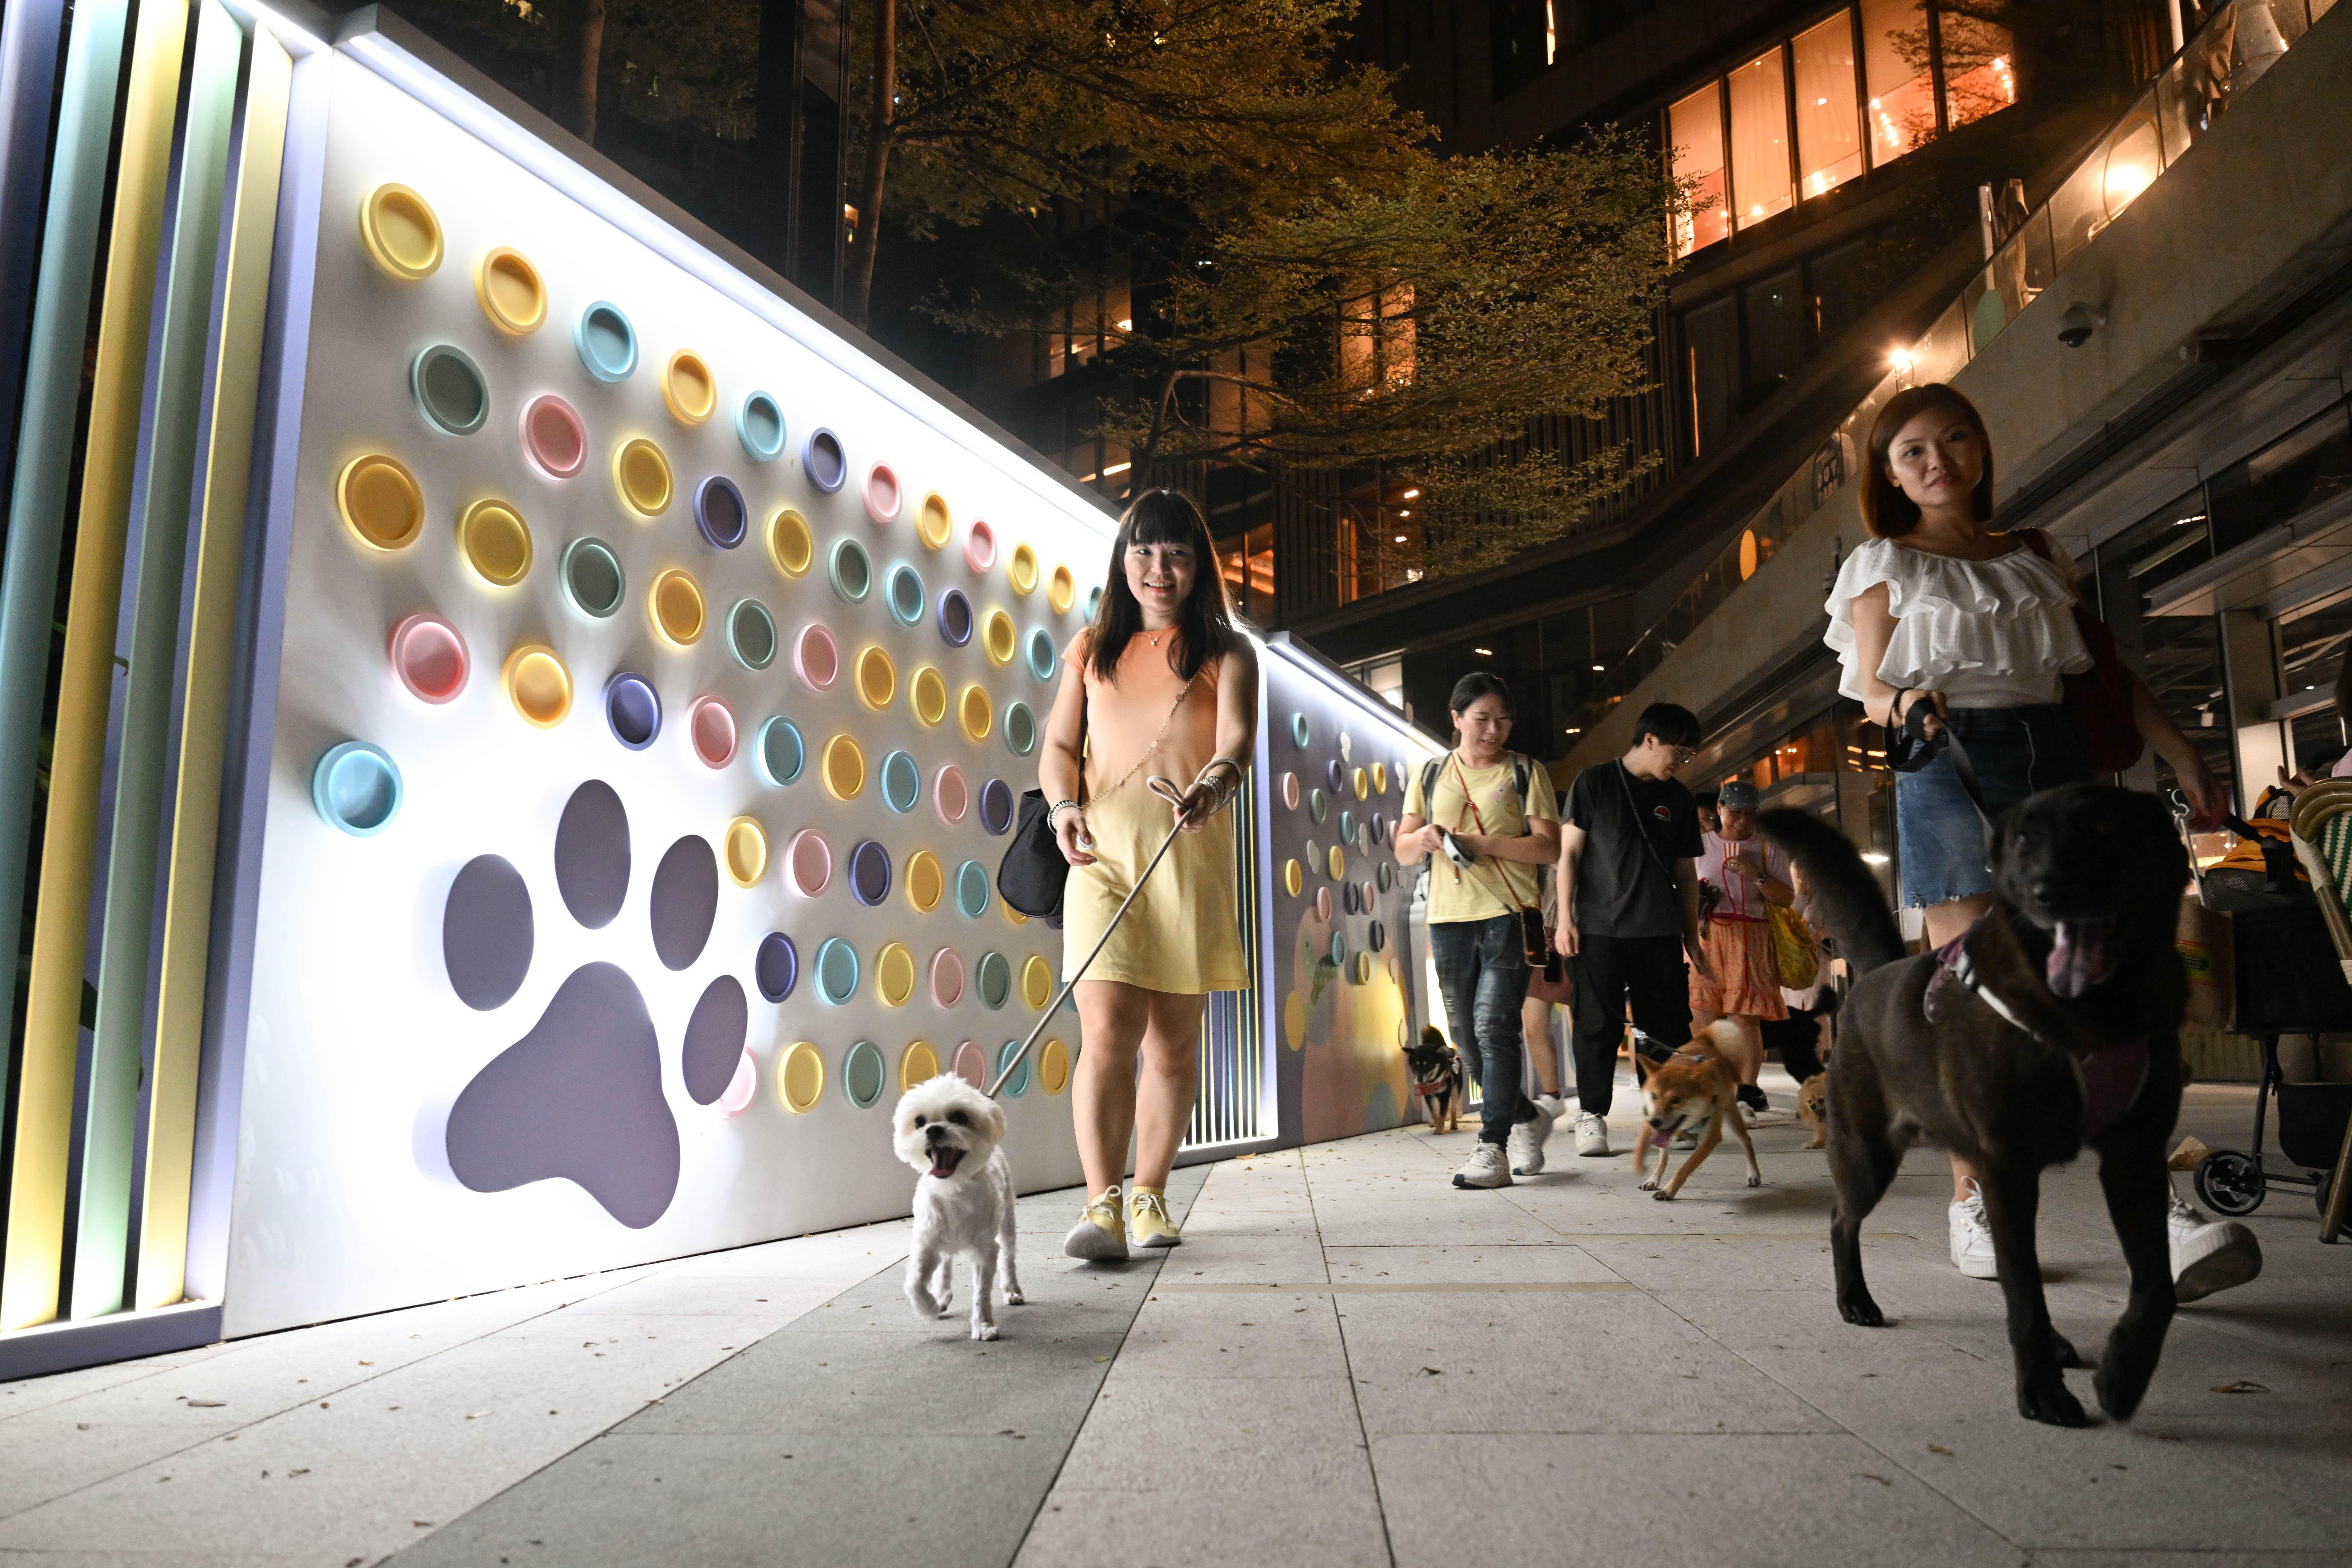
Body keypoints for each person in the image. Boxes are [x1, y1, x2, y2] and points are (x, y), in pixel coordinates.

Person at [1823, 381, 2252, 1292]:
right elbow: (1869, 686)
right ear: (1888, 473)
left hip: (2054, 751)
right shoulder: (1881, 561)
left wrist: (2181, 752)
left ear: (1981, 448)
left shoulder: (2037, 553)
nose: (1935, 461)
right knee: (1972, 982)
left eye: (1953, 440)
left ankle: (2154, 1199)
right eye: (1911, 451)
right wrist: (1904, 700)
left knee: (2104, 966)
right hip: (1944, 754)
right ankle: (1971, 1198)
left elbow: (2103, 673)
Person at [1039, 489, 1258, 1261]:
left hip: (1185, 861)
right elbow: (1058, 747)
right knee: (1107, 1031)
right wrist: (1062, 807)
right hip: (1100, 862)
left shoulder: (1228, 651)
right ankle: (1102, 1205)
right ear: (1122, 560)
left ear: (1199, 566)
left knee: (1171, 1045)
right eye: (1143, 551)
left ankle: (1151, 1195)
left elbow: (1236, 741)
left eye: (1175, 553)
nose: (1158, 568)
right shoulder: (1091, 647)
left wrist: (1214, 787)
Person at [1394, 673, 1562, 1189]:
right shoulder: (1430, 774)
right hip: (1448, 918)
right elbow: (1402, 850)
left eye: (1503, 720)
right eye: (1483, 718)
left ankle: (1493, 1147)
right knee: (1466, 1040)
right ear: (1457, 718)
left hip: (1510, 912)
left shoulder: (1526, 771)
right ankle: (1527, 1116)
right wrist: (1425, 837)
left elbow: (1549, 848)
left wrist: (1482, 844)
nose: (1494, 730)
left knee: (1494, 1026)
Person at [1554, 702, 1710, 1159]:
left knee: (1665, 1026)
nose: (1682, 763)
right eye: (1679, 753)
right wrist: (1565, 919)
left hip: (1658, 931)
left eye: (1689, 756)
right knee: (1596, 1026)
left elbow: (1686, 874)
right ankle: (1591, 1116)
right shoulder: (1594, 783)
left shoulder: (1679, 799)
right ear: (1650, 740)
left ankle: (1666, 1118)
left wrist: (1692, 938)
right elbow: (1569, 855)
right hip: (1598, 928)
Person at [1689, 778, 1793, 1117]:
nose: (1742, 821)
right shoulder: (1698, 845)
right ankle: (1706, 1087)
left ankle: (1747, 1093)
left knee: (1745, 1018)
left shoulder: (1767, 848)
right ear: (1720, 809)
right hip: (1706, 934)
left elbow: (1787, 898)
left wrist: (1756, 876)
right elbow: (1679, 889)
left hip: (1753, 935)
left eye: (1750, 814)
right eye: (1735, 813)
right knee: (1700, 1013)